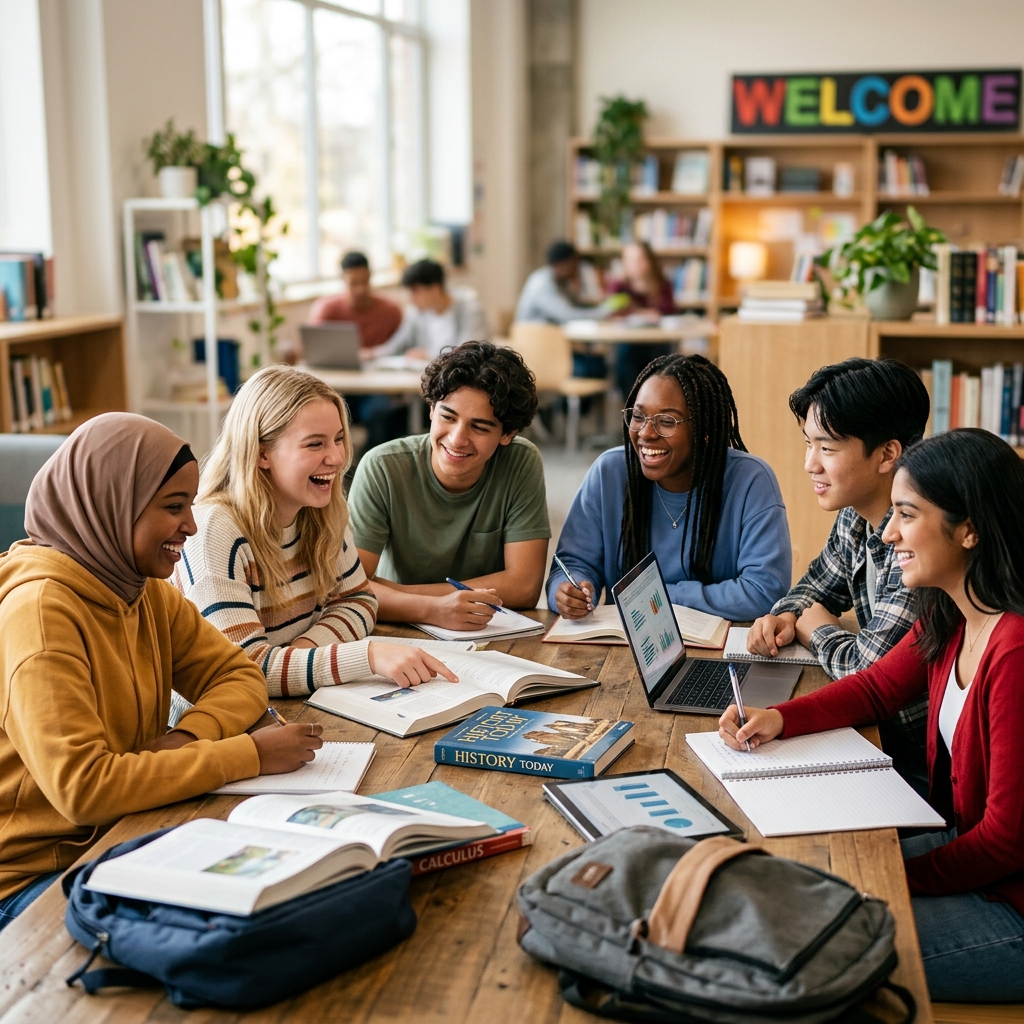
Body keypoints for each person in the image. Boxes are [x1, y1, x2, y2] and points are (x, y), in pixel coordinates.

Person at [720, 429, 1024, 1003]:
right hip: (973, 859)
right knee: (795, 889)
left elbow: (1005, 842)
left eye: (906, 515)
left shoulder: (1015, 648)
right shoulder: (954, 612)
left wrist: (891, 880)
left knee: (804, 953)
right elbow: (879, 688)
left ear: (970, 528)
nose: (888, 534)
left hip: (1012, 907)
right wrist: (778, 718)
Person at [0, 413, 323, 929]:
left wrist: (187, 738)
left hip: (126, 826)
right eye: (173, 507)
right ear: (111, 506)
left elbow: (240, 677)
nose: (191, 526)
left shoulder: (138, 587)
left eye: (190, 506)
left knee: (294, 889)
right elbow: (85, 790)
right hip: (32, 878)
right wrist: (245, 755)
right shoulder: (40, 615)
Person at [174, 366, 455, 695]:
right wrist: (366, 656)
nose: (337, 458)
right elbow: (243, 670)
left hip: (288, 701)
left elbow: (359, 600)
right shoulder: (213, 530)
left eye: (338, 439)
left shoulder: (321, 511)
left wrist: (306, 649)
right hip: (213, 725)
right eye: (314, 445)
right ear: (262, 453)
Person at [746, 358, 931, 793]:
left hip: (916, 761)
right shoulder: (856, 514)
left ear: (888, 453)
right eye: (808, 444)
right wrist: (787, 616)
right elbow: (813, 587)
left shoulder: (920, 540)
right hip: (879, 737)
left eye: (827, 448)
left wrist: (816, 628)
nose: (811, 464)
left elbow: (868, 673)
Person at [548, 353, 791, 622]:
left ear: (704, 431)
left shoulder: (750, 481)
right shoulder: (610, 473)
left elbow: (764, 591)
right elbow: (571, 565)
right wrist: (571, 592)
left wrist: (657, 596)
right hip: (626, 644)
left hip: (724, 646)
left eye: (666, 421)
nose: (645, 433)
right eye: (638, 416)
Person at [349, 341, 550, 629]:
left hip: (486, 631)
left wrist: (402, 595)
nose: (457, 439)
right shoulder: (382, 467)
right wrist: (432, 609)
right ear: (431, 410)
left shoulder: (520, 460)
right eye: (447, 416)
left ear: (507, 434)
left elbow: (524, 588)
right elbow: (351, 590)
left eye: (479, 427)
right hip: (396, 630)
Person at [364, 259, 489, 362]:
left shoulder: (470, 310)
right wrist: (372, 354)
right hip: (424, 380)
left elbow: (469, 352)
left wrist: (429, 355)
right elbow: (398, 345)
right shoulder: (416, 313)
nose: (411, 299)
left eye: (415, 291)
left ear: (435, 289)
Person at [608, 241, 676, 399]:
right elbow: (611, 311)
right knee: (626, 356)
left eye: (639, 259)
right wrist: (644, 312)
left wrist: (634, 310)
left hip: (657, 343)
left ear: (649, 260)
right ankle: (632, 407)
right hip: (628, 343)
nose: (634, 265)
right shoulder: (619, 286)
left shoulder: (662, 285)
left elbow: (668, 311)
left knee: (661, 361)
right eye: (629, 260)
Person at [308, 251, 402, 349]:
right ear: (342, 279)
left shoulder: (390, 311)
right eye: (353, 284)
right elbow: (313, 348)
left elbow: (403, 347)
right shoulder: (327, 310)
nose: (360, 290)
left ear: (370, 276)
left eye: (364, 282)